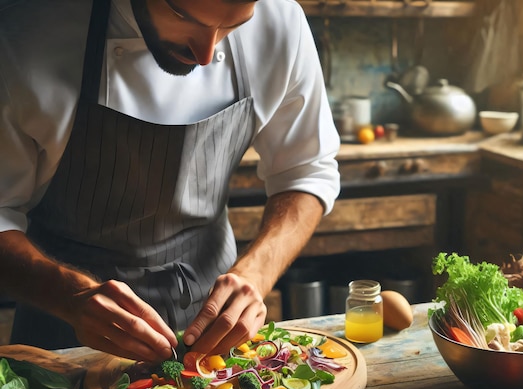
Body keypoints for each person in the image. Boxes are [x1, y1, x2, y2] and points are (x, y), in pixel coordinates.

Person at [0, 0, 340, 363]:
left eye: (233, 26)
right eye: (183, 17)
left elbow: (306, 169)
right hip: (65, 331)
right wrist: (68, 296)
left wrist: (255, 273)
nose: (206, 54)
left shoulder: (280, 21)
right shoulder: (22, 36)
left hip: (212, 329)